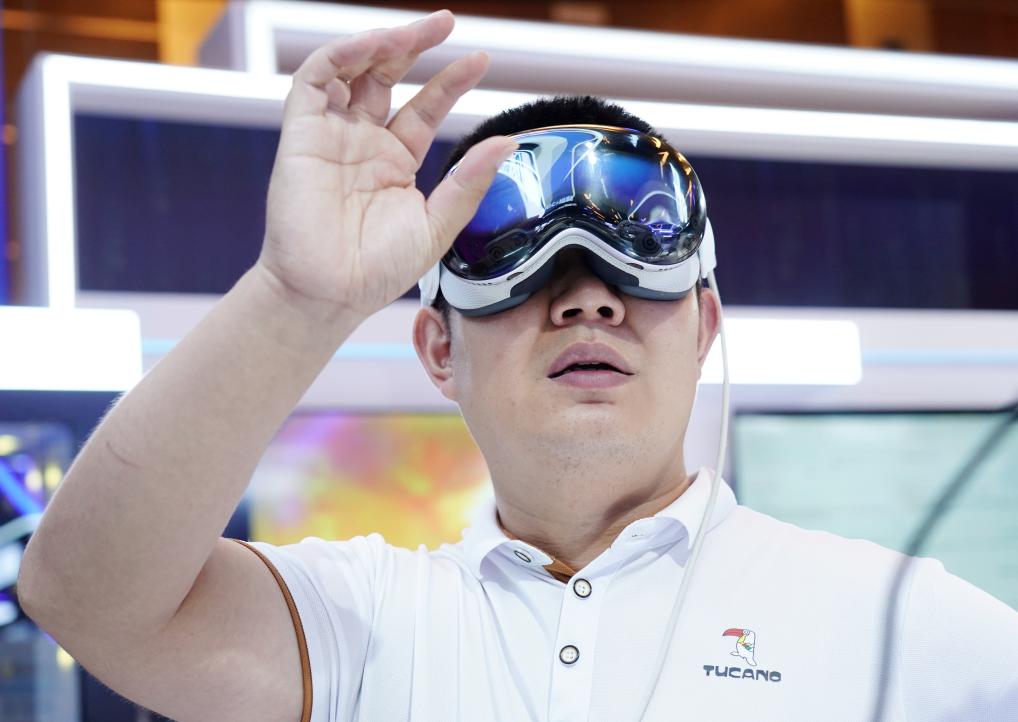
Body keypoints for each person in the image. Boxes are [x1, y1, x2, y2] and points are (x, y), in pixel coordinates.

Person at [16, 9, 1018, 722]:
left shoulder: (900, 619)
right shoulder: (366, 621)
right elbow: (85, 596)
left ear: (703, 326)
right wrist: (297, 296)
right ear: (437, 349)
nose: (587, 300)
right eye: (515, 254)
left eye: (638, 251)